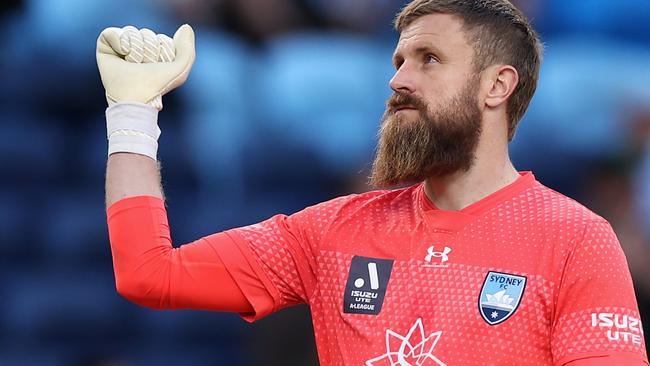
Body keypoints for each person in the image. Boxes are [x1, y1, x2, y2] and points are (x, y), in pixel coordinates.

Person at [96, 1, 649, 365]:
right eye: (399, 59)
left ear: (497, 85)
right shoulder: (332, 230)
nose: (398, 80)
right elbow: (150, 274)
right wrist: (132, 111)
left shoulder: (575, 240)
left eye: (428, 60)